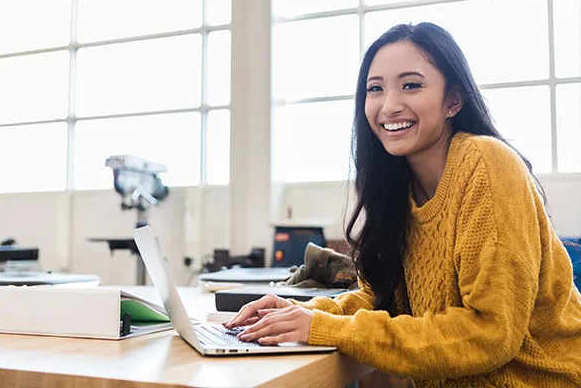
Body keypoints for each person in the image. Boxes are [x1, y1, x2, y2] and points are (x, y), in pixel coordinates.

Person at [224, 22, 581, 387]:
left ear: (453, 101)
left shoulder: (487, 164)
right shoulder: (397, 188)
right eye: (375, 89)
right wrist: (303, 313)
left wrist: (328, 328)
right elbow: (378, 298)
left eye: (411, 85)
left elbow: (490, 332)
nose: (389, 105)